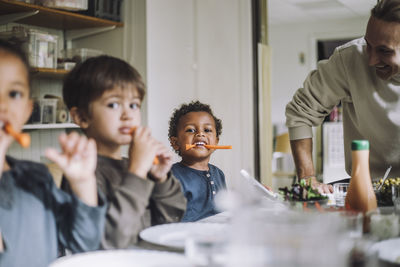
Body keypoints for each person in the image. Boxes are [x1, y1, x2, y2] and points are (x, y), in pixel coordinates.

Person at [61, 55, 186, 249]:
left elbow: (171, 224)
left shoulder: (135, 165)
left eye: (134, 105)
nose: (128, 115)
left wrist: (161, 180)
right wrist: (136, 172)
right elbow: (108, 244)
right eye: (113, 104)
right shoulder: (81, 175)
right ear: (81, 116)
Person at [0, 40, 106, 267]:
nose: (2, 104)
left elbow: (83, 245)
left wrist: (83, 183)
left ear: (28, 110)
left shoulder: (37, 177)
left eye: (14, 93)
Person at [285, 0, 400, 194]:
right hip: (365, 187)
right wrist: (307, 178)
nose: (371, 60)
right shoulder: (349, 59)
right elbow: (300, 112)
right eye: (368, 45)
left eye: (384, 51)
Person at [168, 101, 227, 222]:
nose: (200, 134)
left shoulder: (219, 174)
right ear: (175, 143)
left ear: (216, 142)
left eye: (207, 130)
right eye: (190, 130)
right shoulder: (171, 176)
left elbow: (225, 211)